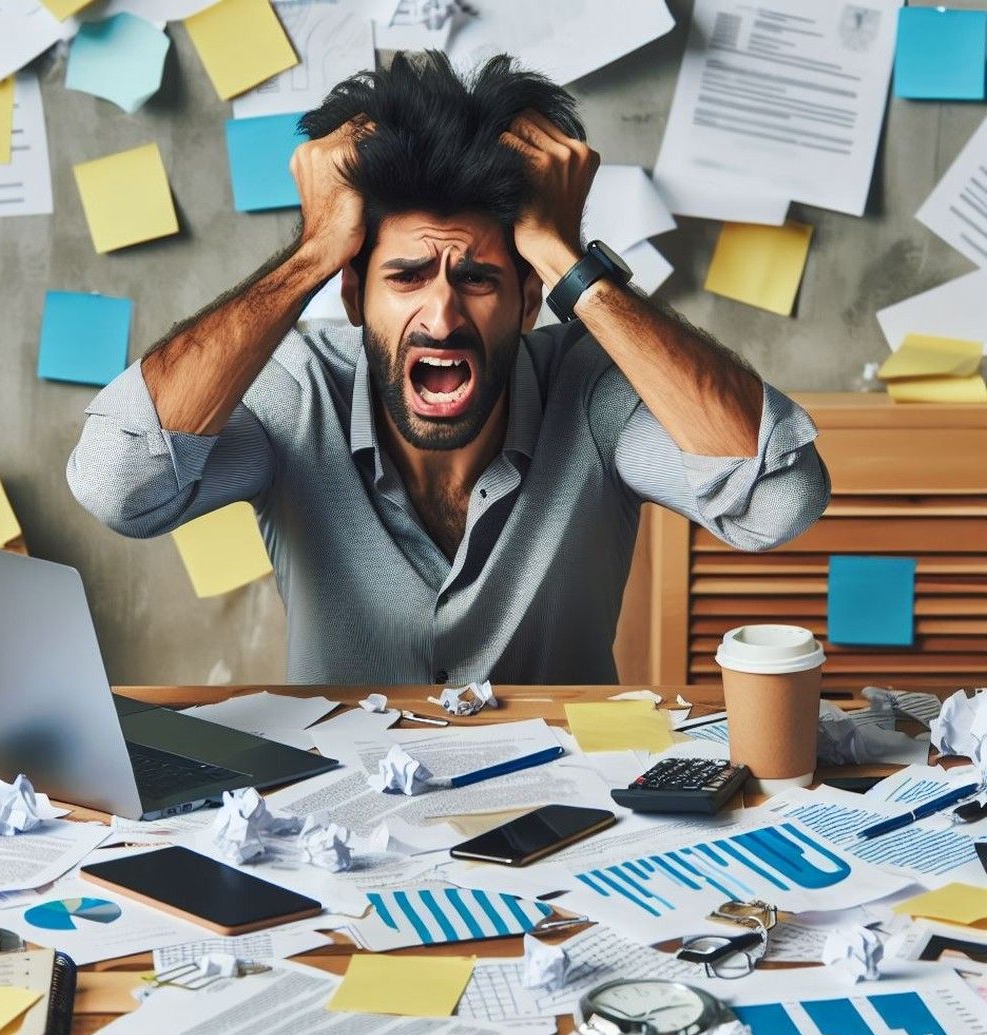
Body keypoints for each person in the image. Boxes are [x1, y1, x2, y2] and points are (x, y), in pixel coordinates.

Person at [68, 53, 829, 685]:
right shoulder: (298, 392)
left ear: (531, 300)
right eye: (404, 277)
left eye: (478, 279)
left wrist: (565, 256)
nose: (440, 317)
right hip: (340, 813)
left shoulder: (592, 390)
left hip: (568, 823)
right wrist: (310, 252)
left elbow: (777, 501)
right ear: (353, 295)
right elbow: (117, 485)